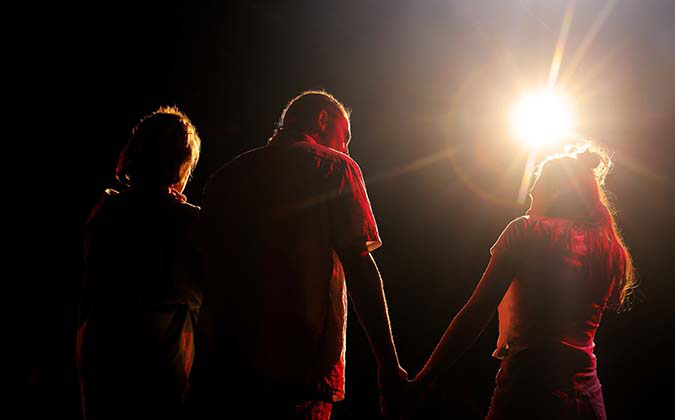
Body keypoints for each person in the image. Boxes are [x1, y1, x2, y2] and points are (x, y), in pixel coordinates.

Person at [192, 90, 407, 419]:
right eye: (344, 135)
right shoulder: (337, 167)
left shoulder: (225, 177)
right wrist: (388, 367)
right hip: (300, 373)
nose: (346, 147)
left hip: (223, 371)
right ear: (322, 119)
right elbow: (361, 271)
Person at [410, 145, 636, 420]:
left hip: (528, 394)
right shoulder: (608, 248)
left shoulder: (526, 230)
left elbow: (476, 312)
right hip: (588, 400)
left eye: (536, 188)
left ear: (554, 191)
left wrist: (423, 381)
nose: (530, 196)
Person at [77, 106, 203, 420]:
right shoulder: (190, 221)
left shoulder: (105, 210)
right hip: (157, 356)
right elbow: (201, 293)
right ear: (183, 163)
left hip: (101, 350)